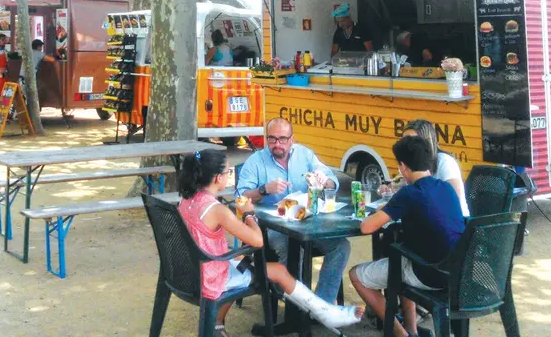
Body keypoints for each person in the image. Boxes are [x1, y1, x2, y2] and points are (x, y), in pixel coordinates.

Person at [179, 149, 362, 336]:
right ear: (218, 178)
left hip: (192, 271)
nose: (229, 176)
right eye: (228, 172)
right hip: (212, 277)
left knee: (245, 261)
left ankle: (218, 323)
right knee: (278, 271)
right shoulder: (217, 209)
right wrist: (249, 213)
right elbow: (257, 241)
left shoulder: (188, 200)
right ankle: (326, 313)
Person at [349, 136, 466, 337]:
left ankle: (401, 334)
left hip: (429, 273)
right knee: (402, 259)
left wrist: (386, 208)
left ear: (403, 167)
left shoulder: (409, 193)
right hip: (458, 271)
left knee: (356, 275)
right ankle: (411, 329)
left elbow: (367, 227)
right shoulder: (446, 187)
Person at [236, 118, 351, 304]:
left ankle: (322, 305)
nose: (277, 144)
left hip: (307, 222)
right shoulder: (256, 161)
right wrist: (264, 190)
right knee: (292, 249)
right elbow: (240, 197)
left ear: (292, 140)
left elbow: (332, 182)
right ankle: (294, 305)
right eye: (272, 139)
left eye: (282, 139)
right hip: (271, 226)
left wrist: (324, 181)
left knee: (341, 246)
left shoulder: (305, 155)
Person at [400, 119, 469, 217]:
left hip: (453, 222)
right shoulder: (410, 162)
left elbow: (454, 200)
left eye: (412, 141)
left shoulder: (445, 162)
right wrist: (390, 187)